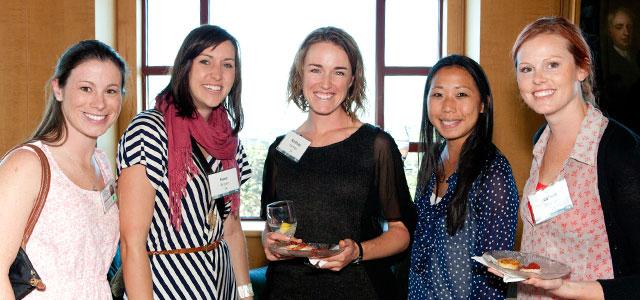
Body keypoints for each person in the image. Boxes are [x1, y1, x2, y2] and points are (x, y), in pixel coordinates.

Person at [260, 26, 416, 299]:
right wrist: (268, 240)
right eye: (315, 69)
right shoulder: (280, 149)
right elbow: (273, 225)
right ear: (300, 74)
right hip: (287, 290)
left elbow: (401, 232)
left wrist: (358, 251)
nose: (326, 83)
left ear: (353, 79)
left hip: (358, 289)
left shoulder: (376, 144)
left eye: (339, 72)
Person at [498, 16, 640, 299]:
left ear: (582, 67)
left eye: (552, 64)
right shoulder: (540, 140)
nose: (538, 78)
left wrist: (566, 289)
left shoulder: (618, 150)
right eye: (527, 69)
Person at [117, 25, 253, 299]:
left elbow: (232, 228)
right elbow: (132, 242)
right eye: (205, 61)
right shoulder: (149, 131)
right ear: (185, 66)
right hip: (167, 287)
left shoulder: (227, 139)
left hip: (222, 286)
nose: (217, 74)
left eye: (227, 64)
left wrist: (246, 293)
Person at [0, 40, 127, 299]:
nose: (100, 103)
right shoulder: (28, 164)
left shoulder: (102, 164)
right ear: (59, 89)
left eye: (111, 91)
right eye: (86, 88)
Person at [407, 55, 519, 299]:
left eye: (461, 94)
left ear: (483, 104)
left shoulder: (493, 172)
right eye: (437, 94)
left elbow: (492, 276)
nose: (448, 107)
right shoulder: (433, 157)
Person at [599, 7, 640, 134]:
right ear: (610, 31)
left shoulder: (636, 56)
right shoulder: (605, 61)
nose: (626, 32)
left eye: (629, 27)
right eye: (619, 27)